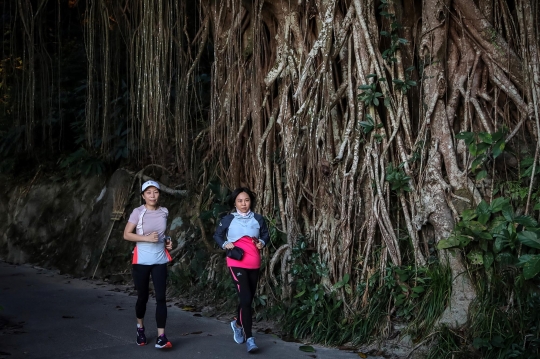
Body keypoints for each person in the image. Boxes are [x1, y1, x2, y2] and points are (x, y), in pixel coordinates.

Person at [213, 187, 270, 353]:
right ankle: (250, 338)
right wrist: (224, 244)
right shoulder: (228, 219)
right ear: (234, 203)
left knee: (247, 299)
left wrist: (262, 242)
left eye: (246, 200)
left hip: (254, 263)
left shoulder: (258, 219)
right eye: (240, 201)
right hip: (236, 262)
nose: (243, 204)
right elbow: (217, 235)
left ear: (250, 201)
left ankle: (237, 324)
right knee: (245, 299)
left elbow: (266, 235)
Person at [123, 180, 173, 349]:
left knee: (161, 298)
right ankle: (140, 328)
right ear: (143, 195)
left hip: (159, 260)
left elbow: (162, 234)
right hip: (141, 261)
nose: (153, 195)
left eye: (156, 192)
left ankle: (161, 337)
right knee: (142, 298)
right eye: (149, 192)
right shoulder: (138, 212)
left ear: (159, 194)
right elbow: (127, 235)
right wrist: (146, 238)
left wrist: (167, 241)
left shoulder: (164, 211)